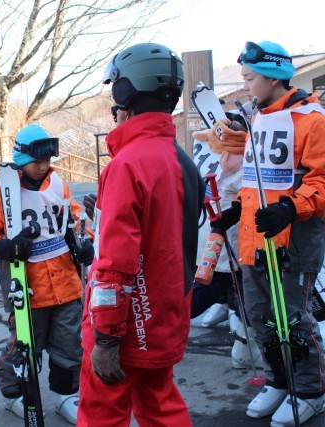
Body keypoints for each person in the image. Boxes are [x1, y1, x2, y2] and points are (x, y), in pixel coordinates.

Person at [78, 43, 204, 426]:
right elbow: (166, 234)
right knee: (161, 407)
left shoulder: (127, 163)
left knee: (103, 413)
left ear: (127, 92)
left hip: (126, 324)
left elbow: (115, 262)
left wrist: (106, 337)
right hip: (164, 318)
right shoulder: (182, 161)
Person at [211, 40, 325, 426]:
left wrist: (290, 208)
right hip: (254, 235)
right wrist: (235, 210)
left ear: (274, 78)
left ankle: (310, 390)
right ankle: (279, 379)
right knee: (261, 316)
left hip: (293, 236)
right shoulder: (259, 118)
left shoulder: (311, 119)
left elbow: (321, 181)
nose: (245, 87)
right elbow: (257, 179)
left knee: (291, 317)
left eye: (250, 79)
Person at [0, 124, 95, 425]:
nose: (43, 166)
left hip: (66, 281)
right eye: (37, 161)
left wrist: (85, 241)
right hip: (28, 286)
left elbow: (74, 216)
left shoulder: (56, 183)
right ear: (21, 159)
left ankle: (66, 394)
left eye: (47, 160)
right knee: (26, 345)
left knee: (69, 343)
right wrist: (2, 245)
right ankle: (13, 391)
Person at [191, 114, 264, 370]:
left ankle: (245, 347)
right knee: (210, 290)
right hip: (222, 243)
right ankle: (163, 326)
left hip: (227, 244)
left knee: (242, 296)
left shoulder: (233, 159)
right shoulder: (229, 161)